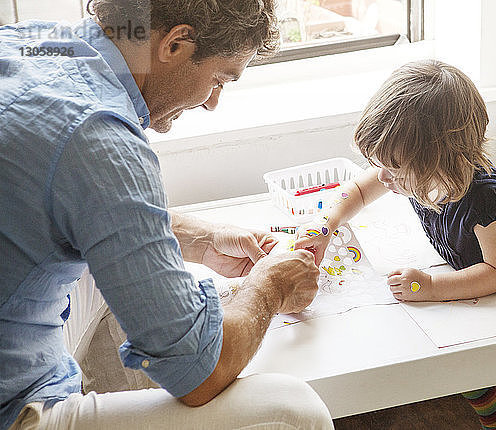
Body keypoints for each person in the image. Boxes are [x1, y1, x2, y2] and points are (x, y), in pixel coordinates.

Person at [0, 0, 334, 429]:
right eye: (219, 79)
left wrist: (199, 237)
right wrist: (268, 286)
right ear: (175, 44)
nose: (213, 102)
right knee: (291, 409)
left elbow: (75, 202)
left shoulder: (31, 42)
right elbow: (200, 376)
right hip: (13, 403)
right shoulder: (101, 138)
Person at [294, 59, 496, 430]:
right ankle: (483, 397)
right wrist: (326, 223)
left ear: (439, 161)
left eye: (395, 171)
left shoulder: (484, 199)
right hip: (477, 285)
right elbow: (358, 189)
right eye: (380, 165)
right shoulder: (413, 171)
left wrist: (431, 286)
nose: (384, 177)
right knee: (469, 357)